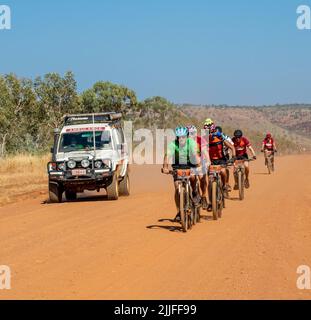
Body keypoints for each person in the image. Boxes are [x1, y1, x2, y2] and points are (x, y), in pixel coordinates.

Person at [162, 126, 202, 221]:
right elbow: (167, 157)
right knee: (177, 188)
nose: (181, 139)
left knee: (192, 177)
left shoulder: (192, 143)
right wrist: (165, 168)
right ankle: (179, 211)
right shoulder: (172, 144)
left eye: (183, 137)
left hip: (190, 164)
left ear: (187, 136)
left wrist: (199, 166)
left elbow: (196, 156)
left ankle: (195, 193)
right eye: (179, 137)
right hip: (177, 166)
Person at [204, 119, 236, 211]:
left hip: (221, 160)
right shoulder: (204, 140)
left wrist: (233, 157)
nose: (209, 135)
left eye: (211, 132)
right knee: (210, 182)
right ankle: (211, 202)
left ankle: (225, 184)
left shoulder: (221, 137)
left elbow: (232, 147)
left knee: (223, 171)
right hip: (211, 162)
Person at [187, 125, 210, 210]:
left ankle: (204, 196)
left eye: (192, 133)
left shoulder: (201, 140)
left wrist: (208, 161)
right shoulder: (184, 141)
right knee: (192, 177)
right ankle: (194, 191)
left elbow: (204, 151)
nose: (190, 135)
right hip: (189, 162)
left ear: (195, 133)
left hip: (201, 162)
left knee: (202, 178)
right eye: (189, 134)